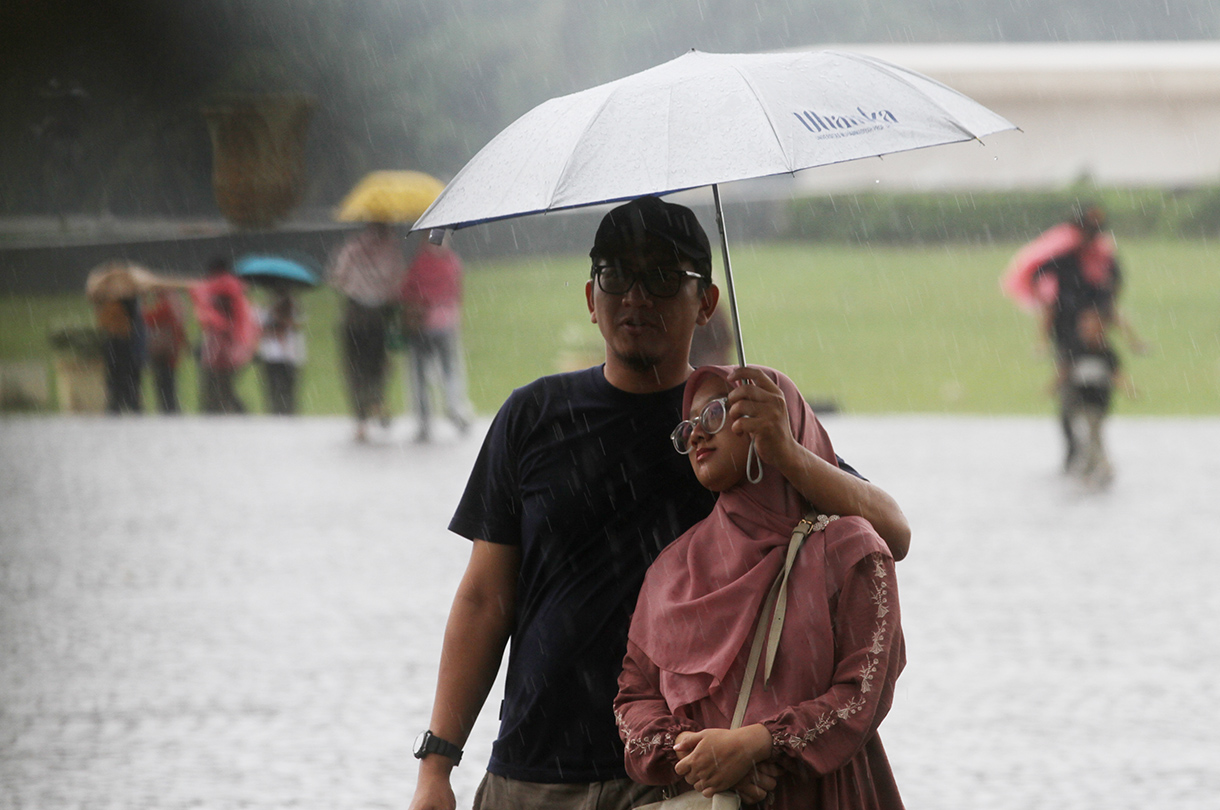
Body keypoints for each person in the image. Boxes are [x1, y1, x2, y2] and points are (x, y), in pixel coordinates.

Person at [408, 196, 911, 810]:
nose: (636, 296)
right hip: (533, 769)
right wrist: (437, 764)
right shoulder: (532, 418)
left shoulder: (733, 433)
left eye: (664, 278)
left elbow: (890, 534)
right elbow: (486, 599)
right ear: (591, 299)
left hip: (678, 780)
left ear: (706, 302)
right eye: (615, 276)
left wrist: (785, 452)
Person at [615, 365, 904, 810]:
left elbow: (861, 696)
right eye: (688, 426)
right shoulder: (671, 572)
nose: (695, 435)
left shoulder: (852, 551)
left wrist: (759, 745)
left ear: (775, 417)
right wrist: (699, 756)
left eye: (714, 414)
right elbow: (634, 699)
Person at [1002, 203, 1144, 469]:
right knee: (1069, 390)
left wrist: (1108, 322)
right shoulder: (1064, 257)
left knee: (1101, 380)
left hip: (1095, 330)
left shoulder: (1103, 259)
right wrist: (1049, 314)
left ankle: (1094, 447)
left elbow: (1114, 290)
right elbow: (1037, 279)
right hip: (1067, 332)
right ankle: (1073, 452)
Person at [328, 221, 408, 441]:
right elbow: (396, 287)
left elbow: (338, 279)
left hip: (353, 315)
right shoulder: (392, 251)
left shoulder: (353, 247)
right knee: (378, 365)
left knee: (354, 368)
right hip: (378, 318)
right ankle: (377, 400)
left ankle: (360, 420)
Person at [400, 233, 473, 441]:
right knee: (450, 371)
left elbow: (405, 292)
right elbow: (458, 292)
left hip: (421, 326)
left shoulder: (418, 263)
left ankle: (424, 421)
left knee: (420, 377)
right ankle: (454, 406)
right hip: (447, 324)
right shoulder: (452, 262)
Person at [1055, 306, 1133, 486]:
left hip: (1097, 402)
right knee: (1079, 432)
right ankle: (1087, 466)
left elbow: (1116, 375)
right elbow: (1064, 371)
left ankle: (1098, 466)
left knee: (1094, 434)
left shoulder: (1106, 352)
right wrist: (1054, 387)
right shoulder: (1075, 348)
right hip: (1077, 400)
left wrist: (1127, 388)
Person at [191, 257, 259, 414]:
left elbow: (220, 322)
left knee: (218, 389)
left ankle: (226, 416)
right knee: (221, 389)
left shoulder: (226, 286)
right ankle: (231, 415)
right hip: (231, 350)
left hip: (228, 351)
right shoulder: (231, 288)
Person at [256, 289, 306, 415]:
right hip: (272, 356)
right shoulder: (267, 311)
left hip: (288, 356)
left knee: (287, 390)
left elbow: (294, 325)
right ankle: (276, 413)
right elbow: (262, 330)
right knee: (273, 389)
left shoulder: (293, 309)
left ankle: (287, 413)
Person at [94, 293, 144, 414]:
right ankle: (126, 404)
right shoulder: (124, 305)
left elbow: (103, 324)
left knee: (119, 377)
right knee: (125, 378)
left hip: (119, 343)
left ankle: (119, 404)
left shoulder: (114, 306)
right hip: (122, 343)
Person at [142, 290, 188, 414]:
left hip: (164, 353)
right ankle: (170, 411)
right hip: (170, 353)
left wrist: (143, 301)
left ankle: (168, 412)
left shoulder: (167, 307)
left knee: (164, 387)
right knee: (168, 386)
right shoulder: (177, 307)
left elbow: (148, 319)